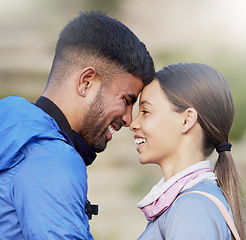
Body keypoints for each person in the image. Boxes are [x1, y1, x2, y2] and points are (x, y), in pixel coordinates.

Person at [0, 11, 155, 239]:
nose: (128, 119)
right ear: (86, 82)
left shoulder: (12, 131)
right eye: (126, 100)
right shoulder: (53, 159)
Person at [130, 63, 245, 239]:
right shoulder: (187, 203)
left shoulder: (191, 208)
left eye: (145, 111)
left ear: (186, 120)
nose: (133, 124)